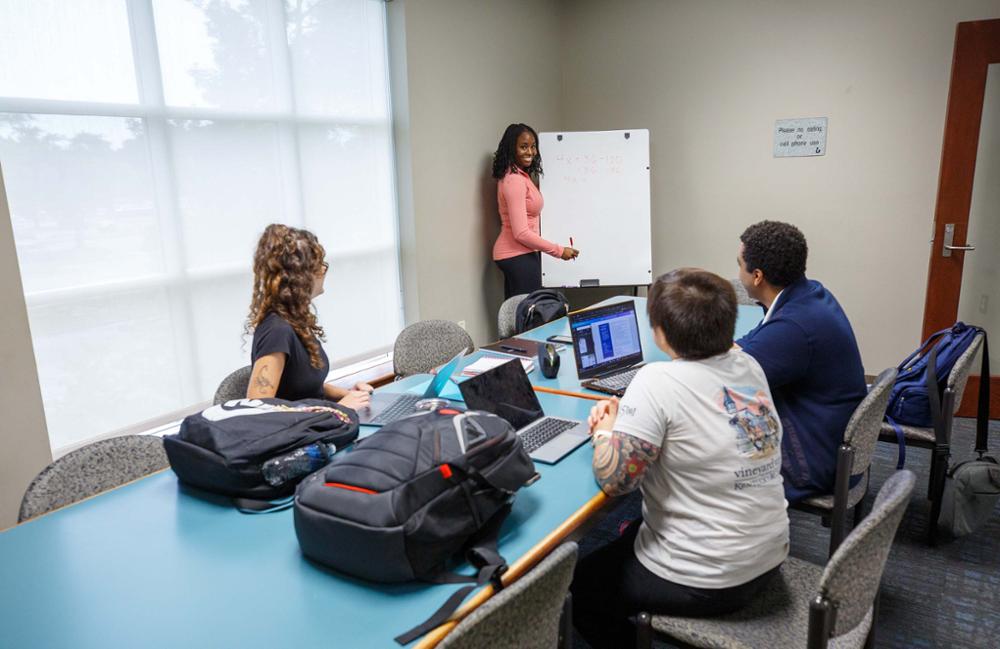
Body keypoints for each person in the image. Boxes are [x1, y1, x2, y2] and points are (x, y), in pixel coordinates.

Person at [571, 269, 789, 649]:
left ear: (659, 332)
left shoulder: (656, 381)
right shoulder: (749, 365)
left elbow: (616, 481)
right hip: (769, 554)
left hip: (708, 579)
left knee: (580, 587)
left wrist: (607, 430)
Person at [735, 220, 867, 503]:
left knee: (707, 447)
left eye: (739, 265)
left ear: (757, 276)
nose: (738, 273)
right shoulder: (808, 294)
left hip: (812, 460)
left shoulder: (794, 328)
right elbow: (754, 341)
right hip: (829, 436)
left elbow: (727, 379)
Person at [244, 224, 371, 410]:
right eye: (321, 266)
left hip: (315, 424)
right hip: (299, 435)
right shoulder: (276, 331)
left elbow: (301, 386)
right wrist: (340, 409)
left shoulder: (295, 320)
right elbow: (257, 410)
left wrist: (346, 394)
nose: (324, 272)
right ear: (301, 276)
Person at [491, 123, 579, 299]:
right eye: (523, 147)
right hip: (516, 254)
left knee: (520, 317)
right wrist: (559, 251)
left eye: (533, 147)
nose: (530, 152)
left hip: (520, 254)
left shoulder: (521, 177)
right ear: (512, 149)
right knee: (532, 315)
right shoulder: (514, 180)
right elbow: (521, 233)